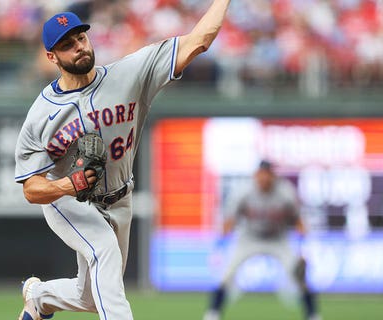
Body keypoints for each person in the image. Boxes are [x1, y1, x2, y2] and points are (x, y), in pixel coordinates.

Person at [13, 2, 232, 320]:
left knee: (90, 296)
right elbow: (31, 189)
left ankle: (40, 296)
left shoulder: (130, 74)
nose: (78, 47)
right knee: (104, 251)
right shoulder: (41, 115)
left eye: (80, 38)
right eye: (66, 45)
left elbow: (200, 39)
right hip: (70, 201)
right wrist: (65, 184)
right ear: (52, 57)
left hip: (120, 197)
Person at [203, 160, 321, 320]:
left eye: (268, 175)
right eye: (261, 175)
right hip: (249, 238)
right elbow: (230, 220)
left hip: (278, 239)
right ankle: (213, 313)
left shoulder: (285, 192)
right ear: (256, 176)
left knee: (299, 277)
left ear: (273, 177)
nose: (264, 179)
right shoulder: (243, 191)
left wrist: (303, 247)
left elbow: (298, 221)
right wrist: (220, 245)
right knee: (227, 274)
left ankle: (313, 315)